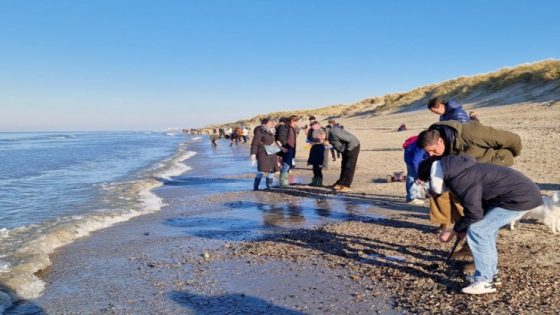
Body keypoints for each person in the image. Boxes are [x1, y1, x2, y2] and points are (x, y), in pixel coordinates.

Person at [418, 155, 543, 295]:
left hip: (519, 199)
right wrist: (463, 227)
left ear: (433, 176)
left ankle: (485, 281)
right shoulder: (458, 170)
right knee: (485, 230)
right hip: (516, 196)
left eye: (428, 181)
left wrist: (453, 231)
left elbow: (474, 213)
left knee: (479, 231)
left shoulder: (460, 178)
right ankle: (491, 275)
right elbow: (476, 208)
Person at [328, 127, 360, 192]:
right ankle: (341, 183)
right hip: (346, 148)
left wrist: (348, 149)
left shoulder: (333, 132)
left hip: (353, 146)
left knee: (349, 166)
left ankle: (347, 185)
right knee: (344, 165)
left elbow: (351, 139)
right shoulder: (330, 134)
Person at [250, 118, 279, 190]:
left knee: (273, 170)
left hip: (272, 152)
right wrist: (253, 154)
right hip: (262, 153)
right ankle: (255, 187)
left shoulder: (271, 131)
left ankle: (269, 186)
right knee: (261, 171)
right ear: (265, 124)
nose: (272, 124)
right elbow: (254, 143)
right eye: (270, 123)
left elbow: (273, 142)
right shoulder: (259, 132)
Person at [402, 135, 428, 205]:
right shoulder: (421, 146)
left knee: (429, 174)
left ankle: (430, 194)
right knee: (412, 176)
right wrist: (419, 175)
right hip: (411, 155)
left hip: (423, 156)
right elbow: (415, 161)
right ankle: (412, 198)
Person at [276, 115, 299, 187]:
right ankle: (282, 182)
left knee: (288, 165)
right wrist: (286, 146)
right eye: (296, 121)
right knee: (286, 165)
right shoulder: (284, 127)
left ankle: (285, 181)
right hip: (286, 148)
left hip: (290, 148)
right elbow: (281, 138)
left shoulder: (291, 128)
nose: (297, 123)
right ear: (292, 121)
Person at [307, 121, 329, 187]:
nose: (313, 127)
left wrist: (318, 139)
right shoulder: (312, 130)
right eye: (312, 126)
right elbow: (310, 138)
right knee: (314, 166)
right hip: (314, 148)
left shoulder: (322, 129)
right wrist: (316, 139)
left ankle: (319, 182)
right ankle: (314, 181)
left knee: (319, 166)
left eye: (314, 126)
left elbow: (323, 138)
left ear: (318, 125)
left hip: (320, 148)